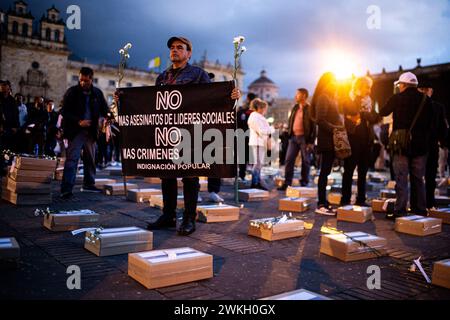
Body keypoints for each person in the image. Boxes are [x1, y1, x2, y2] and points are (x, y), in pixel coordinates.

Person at [121, 36, 240, 236]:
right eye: (172, 48)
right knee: (166, 174)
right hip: (166, 133)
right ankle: (168, 216)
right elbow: (152, 104)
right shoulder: (162, 77)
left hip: (189, 133)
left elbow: (211, 98)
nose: (174, 50)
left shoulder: (198, 74)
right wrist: (124, 99)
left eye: (179, 47)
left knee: (189, 175)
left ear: (188, 53)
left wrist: (230, 96)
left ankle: (188, 218)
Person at [379, 72, 434, 217]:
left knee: (401, 178)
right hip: (421, 146)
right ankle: (420, 210)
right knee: (418, 179)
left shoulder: (397, 98)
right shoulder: (426, 100)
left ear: (403, 85)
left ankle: (400, 210)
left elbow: (383, 112)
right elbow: (432, 123)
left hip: (401, 145)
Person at [60, 67, 108, 199]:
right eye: (81, 80)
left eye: (86, 81)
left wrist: (102, 119)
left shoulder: (97, 93)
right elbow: (64, 111)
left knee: (90, 159)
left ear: (91, 79)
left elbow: (105, 110)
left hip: (91, 132)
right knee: (72, 159)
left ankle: (89, 184)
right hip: (76, 131)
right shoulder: (72, 92)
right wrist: (79, 121)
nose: (82, 83)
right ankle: (66, 188)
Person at [340, 77, 380, 206]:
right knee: (349, 171)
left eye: (370, 87)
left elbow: (375, 117)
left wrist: (363, 114)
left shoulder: (370, 102)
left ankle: (361, 199)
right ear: (358, 88)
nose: (369, 90)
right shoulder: (350, 99)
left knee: (363, 172)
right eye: (366, 87)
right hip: (353, 139)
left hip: (367, 140)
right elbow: (351, 111)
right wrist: (363, 113)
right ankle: (345, 199)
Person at [311, 72, 343, 215]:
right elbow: (320, 119)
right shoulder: (323, 97)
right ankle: (321, 203)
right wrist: (335, 128)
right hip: (326, 140)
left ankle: (324, 201)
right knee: (324, 172)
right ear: (327, 83)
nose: (336, 84)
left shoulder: (330, 97)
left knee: (326, 172)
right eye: (333, 81)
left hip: (331, 140)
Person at [417, 83, 448, 210]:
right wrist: (443, 142)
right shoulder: (438, 107)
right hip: (432, 145)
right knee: (430, 176)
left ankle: (418, 204)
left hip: (418, 145)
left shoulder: (415, 106)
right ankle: (429, 203)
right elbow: (443, 129)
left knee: (417, 176)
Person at [278, 88, 316, 190]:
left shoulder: (310, 109)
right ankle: (287, 182)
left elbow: (314, 126)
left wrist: (311, 142)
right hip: (293, 137)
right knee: (289, 160)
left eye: (298, 94)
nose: (295, 96)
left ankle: (304, 182)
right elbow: (291, 121)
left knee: (306, 161)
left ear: (304, 96)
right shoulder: (295, 107)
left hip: (305, 138)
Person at [248, 98, 273, 190]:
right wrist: (270, 130)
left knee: (259, 163)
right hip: (257, 142)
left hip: (261, 142)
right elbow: (261, 130)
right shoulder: (254, 116)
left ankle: (257, 181)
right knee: (257, 163)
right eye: (264, 108)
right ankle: (255, 182)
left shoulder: (259, 116)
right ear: (259, 107)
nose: (265, 111)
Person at [237, 93, 256, 181]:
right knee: (245, 157)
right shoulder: (243, 111)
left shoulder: (245, 111)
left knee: (245, 157)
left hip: (245, 136)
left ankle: (243, 175)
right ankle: (244, 175)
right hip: (246, 137)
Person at [0, 80, 19, 153]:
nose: (3, 89)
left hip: (9, 127)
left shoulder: (12, 100)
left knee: (8, 148)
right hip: (1, 125)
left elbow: (15, 114)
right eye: (2, 87)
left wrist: (16, 126)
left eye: (5, 88)